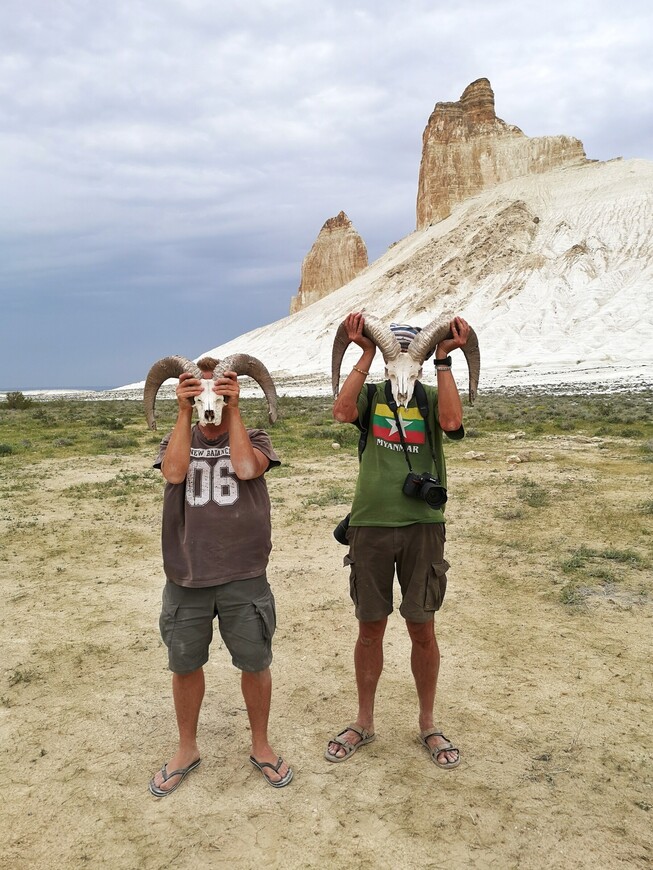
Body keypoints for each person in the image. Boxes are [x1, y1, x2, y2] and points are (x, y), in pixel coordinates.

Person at [325, 312, 470, 769]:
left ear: (422, 367)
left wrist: (444, 361)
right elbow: (341, 411)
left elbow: (451, 423)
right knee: (370, 628)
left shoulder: (429, 397)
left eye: (413, 367)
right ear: (388, 370)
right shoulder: (370, 397)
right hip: (369, 526)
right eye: (395, 369)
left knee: (421, 627)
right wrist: (366, 354)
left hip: (422, 527)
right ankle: (364, 721)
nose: (403, 379)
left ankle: (428, 723)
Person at [149, 357, 292, 796]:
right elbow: (174, 472)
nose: (210, 400)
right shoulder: (180, 437)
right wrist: (182, 413)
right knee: (185, 664)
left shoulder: (255, 437)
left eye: (219, 391)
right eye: (201, 391)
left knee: (255, 661)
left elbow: (247, 469)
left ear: (233, 394)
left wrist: (234, 411)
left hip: (244, 572)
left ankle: (261, 745)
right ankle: (186, 748)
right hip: (187, 574)